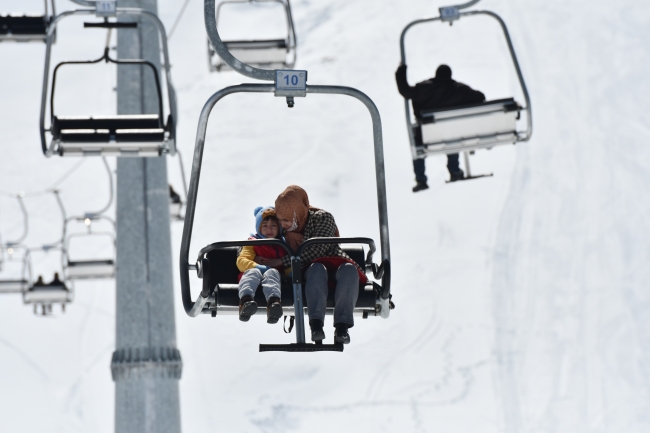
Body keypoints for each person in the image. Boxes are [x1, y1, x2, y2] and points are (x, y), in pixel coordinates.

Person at [260, 185, 366, 345]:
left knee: (349, 270)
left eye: (286, 220)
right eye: (280, 220)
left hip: (332, 260)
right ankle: (316, 325)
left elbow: (318, 250)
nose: (282, 225)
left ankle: (342, 327)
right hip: (308, 271)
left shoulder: (322, 218)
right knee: (316, 270)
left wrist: (283, 261)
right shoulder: (283, 230)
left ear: (297, 214)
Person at [395, 63, 486, 191]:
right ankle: (454, 170)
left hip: (426, 137)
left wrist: (401, 71)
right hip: (451, 135)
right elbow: (480, 97)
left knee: (418, 144)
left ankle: (421, 180)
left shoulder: (423, 89)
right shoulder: (460, 89)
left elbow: (404, 90)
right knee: (452, 134)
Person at [236, 206, 286, 323]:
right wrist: (259, 267)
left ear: (279, 228)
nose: (269, 229)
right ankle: (246, 301)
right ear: (259, 228)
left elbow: (288, 263)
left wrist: (292, 274)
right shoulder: (253, 243)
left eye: (273, 226)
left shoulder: (283, 244)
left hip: (274, 278)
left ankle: (273, 304)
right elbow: (241, 261)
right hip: (254, 275)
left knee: (272, 272)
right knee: (254, 272)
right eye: (265, 226)